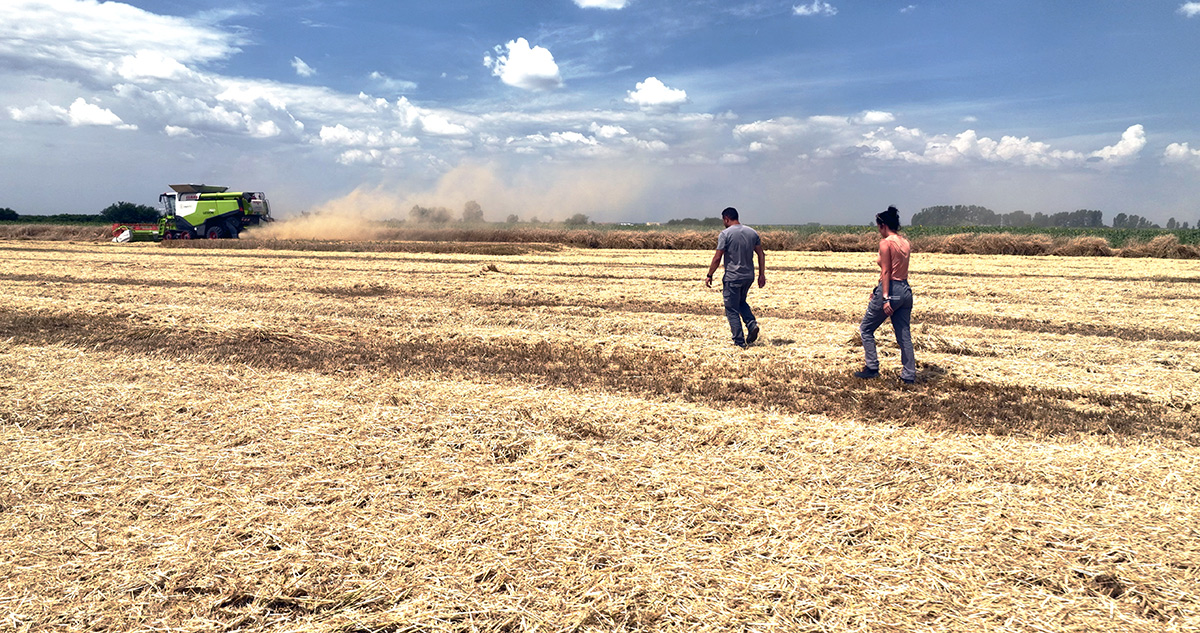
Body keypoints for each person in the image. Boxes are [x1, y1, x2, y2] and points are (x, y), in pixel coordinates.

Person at [855, 206, 916, 384]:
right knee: (904, 334)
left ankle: (872, 367)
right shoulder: (905, 242)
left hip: (892, 290)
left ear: (882, 225)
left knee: (866, 329)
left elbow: (887, 271)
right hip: (905, 291)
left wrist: (885, 296)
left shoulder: (885, 243)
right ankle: (909, 374)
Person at [705, 207, 766, 348]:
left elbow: (717, 257)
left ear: (726, 218)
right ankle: (751, 325)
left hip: (733, 277)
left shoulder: (725, 234)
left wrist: (709, 275)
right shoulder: (752, 233)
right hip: (748, 276)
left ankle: (739, 342)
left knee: (731, 309)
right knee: (740, 302)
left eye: (723, 220)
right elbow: (761, 254)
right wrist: (761, 274)